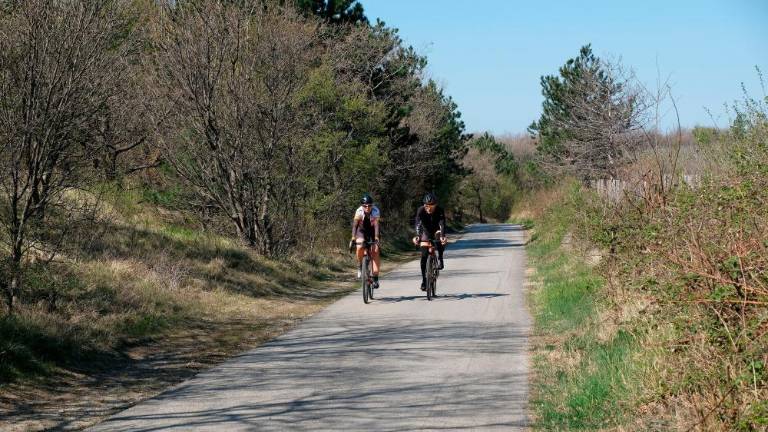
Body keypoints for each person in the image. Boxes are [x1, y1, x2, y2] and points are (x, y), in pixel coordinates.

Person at [412, 192, 447, 291]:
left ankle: (440, 258)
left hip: (437, 230)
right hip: (426, 232)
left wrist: (443, 236)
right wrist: (417, 236)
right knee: (423, 256)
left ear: (435, 205)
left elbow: (442, 224)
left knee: (439, 238)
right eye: (426, 205)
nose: (428, 208)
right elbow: (418, 224)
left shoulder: (440, 211)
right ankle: (424, 280)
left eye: (431, 205)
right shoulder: (421, 210)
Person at [349, 193, 381, 288]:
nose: (367, 207)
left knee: (375, 250)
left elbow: (376, 225)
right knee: (359, 247)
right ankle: (360, 266)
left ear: (372, 205)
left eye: (369, 205)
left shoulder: (375, 211)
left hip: (372, 232)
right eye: (365, 206)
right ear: (362, 206)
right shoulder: (358, 211)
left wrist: (376, 237)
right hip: (361, 231)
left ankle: (375, 278)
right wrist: (353, 238)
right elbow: (355, 226)